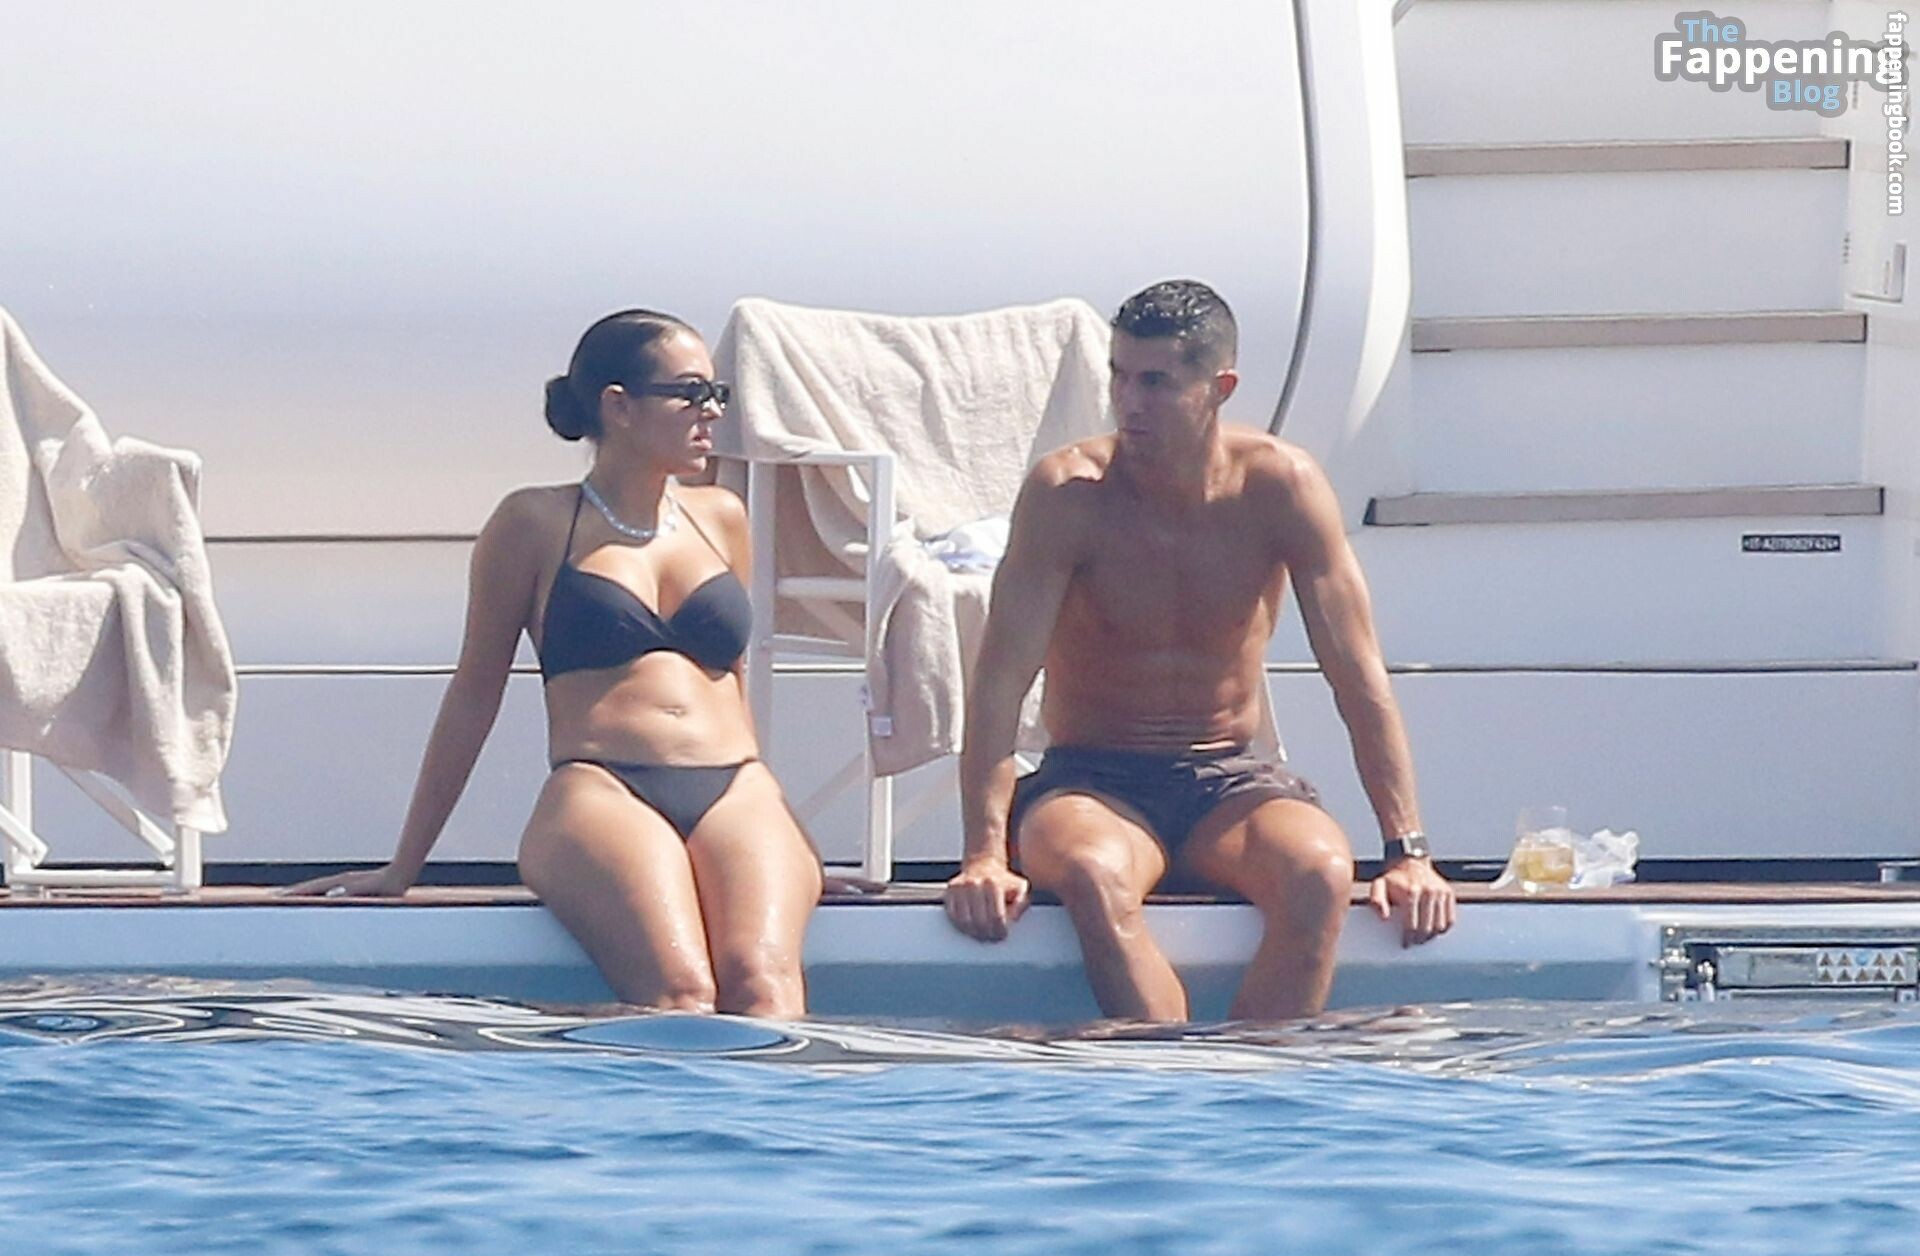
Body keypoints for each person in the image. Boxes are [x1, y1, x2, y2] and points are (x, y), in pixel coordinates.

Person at [943, 280, 1456, 1021]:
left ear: (1220, 388)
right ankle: (1166, 1073)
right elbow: (999, 683)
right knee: (1092, 872)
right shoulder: (1068, 494)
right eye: (1119, 376)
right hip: (1092, 782)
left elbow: (1358, 677)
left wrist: (1408, 851)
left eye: (1155, 382)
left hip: (1229, 779)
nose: (1129, 402)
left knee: (1320, 873)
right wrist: (984, 855)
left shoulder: (1280, 486)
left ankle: (1256, 1075)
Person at [289, 310, 823, 1016]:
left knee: (763, 983)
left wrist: (785, 838)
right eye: (690, 393)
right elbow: (474, 692)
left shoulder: (722, 515)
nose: (711, 412)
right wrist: (405, 864)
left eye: (716, 393)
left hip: (739, 788)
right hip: (604, 789)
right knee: (682, 995)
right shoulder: (533, 523)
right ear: (618, 406)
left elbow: (734, 680)